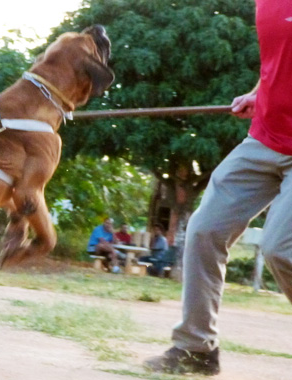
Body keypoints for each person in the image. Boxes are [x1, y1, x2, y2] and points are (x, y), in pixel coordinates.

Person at [145, 2, 292, 375]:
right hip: (266, 139)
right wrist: (260, 92)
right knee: (205, 229)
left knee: (281, 248)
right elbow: (279, 56)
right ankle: (196, 349)